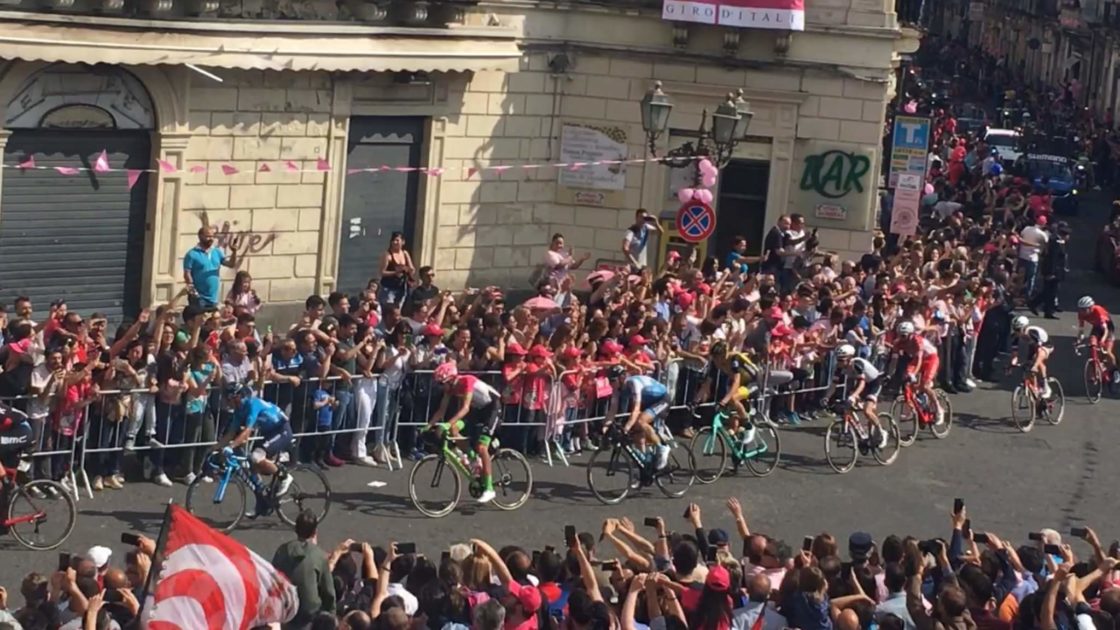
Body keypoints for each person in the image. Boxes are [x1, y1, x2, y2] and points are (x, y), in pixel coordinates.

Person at [429, 362, 502, 503]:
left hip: (492, 408)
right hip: (478, 411)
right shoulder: (450, 389)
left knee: (482, 447)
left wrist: (446, 423)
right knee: (453, 429)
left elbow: (465, 408)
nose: (441, 387)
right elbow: (441, 410)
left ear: (449, 380)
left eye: (441, 383)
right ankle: (473, 458)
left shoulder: (467, 381)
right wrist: (428, 425)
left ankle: (489, 489)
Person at [218, 384, 293, 514]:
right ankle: (262, 504)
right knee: (251, 466)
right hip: (269, 433)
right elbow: (230, 434)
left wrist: (231, 446)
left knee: (256, 457)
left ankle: (285, 477)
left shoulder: (252, 405)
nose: (226, 402)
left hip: (282, 430)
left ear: (236, 397)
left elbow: (247, 431)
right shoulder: (238, 411)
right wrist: (214, 448)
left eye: (227, 399)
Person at [272, 509, 336, 629]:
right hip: (308, 617)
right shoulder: (319, 556)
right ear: (315, 532)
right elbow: (328, 594)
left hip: (285, 611)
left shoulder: (282, 550)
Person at [612, 366, 671, 470]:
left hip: (662, 399)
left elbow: (636, 410)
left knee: (641, 421)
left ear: (622, 377)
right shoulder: (618, 388)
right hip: (648, 401)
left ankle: (662, 447)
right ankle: (644, 463)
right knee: (637, 432)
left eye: (613, 380)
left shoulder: (633, 383)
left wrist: (626, 428)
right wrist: (605, 426)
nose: (612, 383)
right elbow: (612, 410)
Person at [835, 343, 888, 448]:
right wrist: (826, 398)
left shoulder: (857, 364)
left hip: (874, 383)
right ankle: (860, 433)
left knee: (867, 410)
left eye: (842, 360)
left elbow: (862, 383)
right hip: (861, 385)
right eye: (838, 359)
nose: (839, 362)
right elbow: (834, 384)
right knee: (847, 405)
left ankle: (882, 432)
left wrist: (853, 396)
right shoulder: (840, 367)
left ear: (850, 358)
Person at [895, 321, 945, 425]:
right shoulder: (899, 342)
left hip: (930, 358)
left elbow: (919, 360)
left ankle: (939, 409)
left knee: (925, 385)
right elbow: (895, 358)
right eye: (900, 335)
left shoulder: (917, 340)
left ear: (911, 334)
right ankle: (911, 409)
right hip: (916, 360)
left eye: (904, 335)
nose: (902, 337)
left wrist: (914, 374)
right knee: (907, 384)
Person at [183, 226, 240, 309]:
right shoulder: (192, 254)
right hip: (198, 298)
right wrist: (193, 291)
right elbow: (187, 274)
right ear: (200, 236)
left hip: (213, 298)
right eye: (208, 236)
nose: (211, 239)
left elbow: (230, 264)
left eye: (212, 236)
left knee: (212, 321)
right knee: (199, 320)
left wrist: (234, 252)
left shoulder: (216, 252)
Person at [1076, 295, 1118, 382]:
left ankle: (1115, 371)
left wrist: (1102, 340)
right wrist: (1079, 340)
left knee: (1107, 350)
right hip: (1097, 327)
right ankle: (1095, 371)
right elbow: (1081, 330)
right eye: (1080, 309)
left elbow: (1105, 330)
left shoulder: (1098, 311)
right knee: (1092, 345)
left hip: (1108, 329)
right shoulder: (1081, 314)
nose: (1082, 312)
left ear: (1091, 308)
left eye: (1084, 309)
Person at [1010, 316, 1052, 399]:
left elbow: (1039, 350)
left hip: (1046, 346)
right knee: (1028, 365)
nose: (1017, 332)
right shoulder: (1016, 336)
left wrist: (1035, 366)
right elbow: (1015, 351)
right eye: (1015, 330)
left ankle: (1046, 387)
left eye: (1018, 330)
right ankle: (1035, 389)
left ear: (1024, 327)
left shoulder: (1032, 332)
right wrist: (1012, 362)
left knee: (1037, 360)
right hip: (1033, 347)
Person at [378, 232, 415, 307]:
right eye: (393, 240)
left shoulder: (405, 253)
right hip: (389, 288)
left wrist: (407, 270)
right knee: (389, 308)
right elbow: (382, 272)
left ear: (403, 242)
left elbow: (412, 269)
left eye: (397, 240)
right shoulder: (387, 255)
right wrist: (395, 272)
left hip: (401, 287)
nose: (395, 242)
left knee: (399, 308)